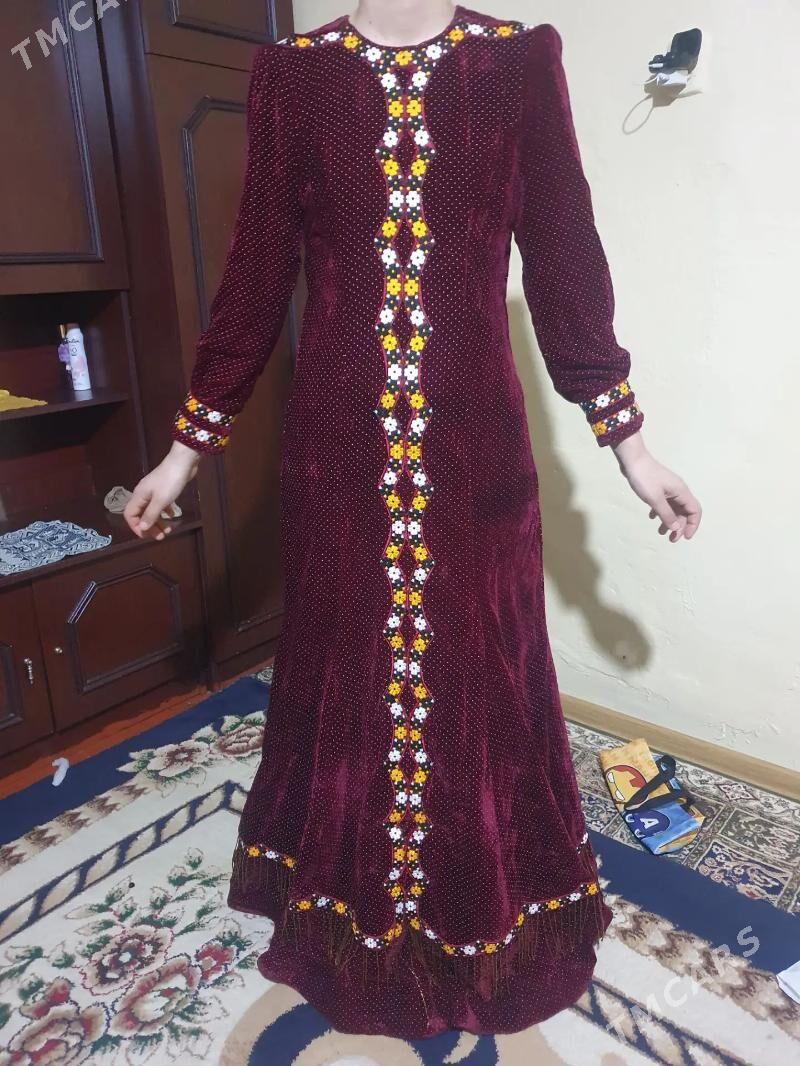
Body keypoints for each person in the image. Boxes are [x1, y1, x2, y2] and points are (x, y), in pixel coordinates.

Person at [124, 1, 702, 1039]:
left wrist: (629, 443)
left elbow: (564, 257)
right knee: (346, 660)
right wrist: (186, 447)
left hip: (475, 447)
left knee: (476, 665)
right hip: (335, 450)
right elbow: (256, 272)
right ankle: (350, 910)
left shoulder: (515, 63)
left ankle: (480, 908)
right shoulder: (294, 76)